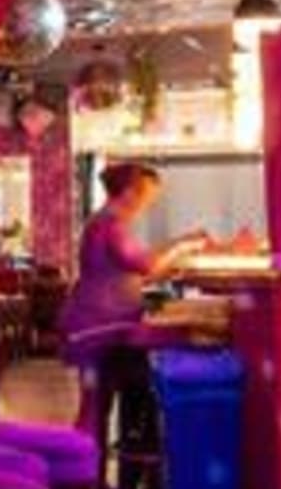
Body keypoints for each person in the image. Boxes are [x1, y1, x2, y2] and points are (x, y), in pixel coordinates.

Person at [67, 160, 207, 440]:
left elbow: (130, 274)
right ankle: (81, 477)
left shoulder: (108, 221)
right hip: (96, 325)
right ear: (130, 192)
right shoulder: (111, 223)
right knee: (94, 406)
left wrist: (172, 260)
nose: (147, 204)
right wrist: (182, 245)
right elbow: (144, 264)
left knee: (97, 403)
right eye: (147, 196)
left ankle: (88, 476)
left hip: (100, 322)